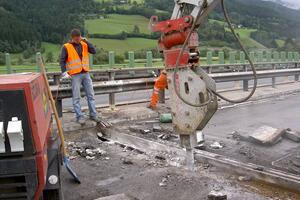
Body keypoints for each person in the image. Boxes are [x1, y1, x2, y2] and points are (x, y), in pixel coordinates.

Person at [60, 29, 100, 125]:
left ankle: (93, 114)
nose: (78, 40)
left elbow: (94, 51)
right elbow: (62, 60)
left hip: (85, 73)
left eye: (79, 38)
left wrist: (86, 41)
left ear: (80, 36)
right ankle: (79, 116)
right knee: (76, 97)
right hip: (75, 75)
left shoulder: (84, 44)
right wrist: (64, 72)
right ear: (72, 38)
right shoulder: (66, 47)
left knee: (90, 95)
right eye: (76, 39)